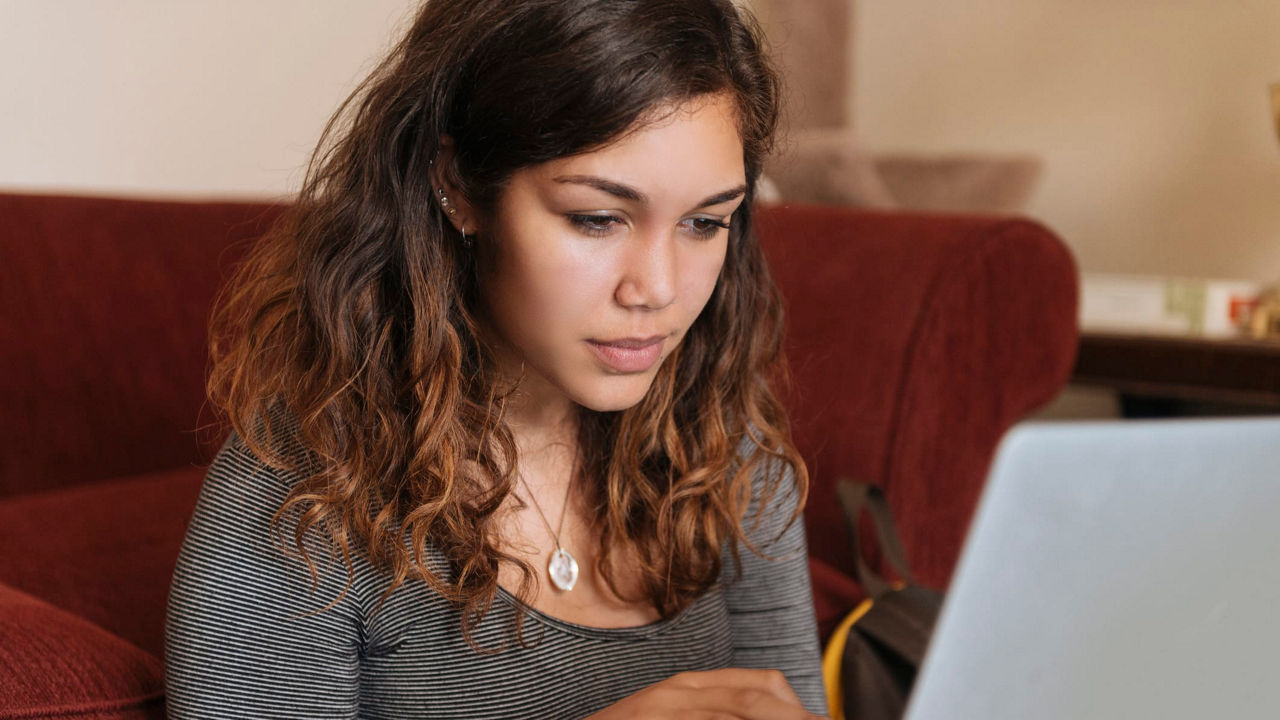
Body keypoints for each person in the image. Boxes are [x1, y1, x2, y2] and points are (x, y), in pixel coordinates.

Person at [163, 0, 827, 717]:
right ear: (457, 185)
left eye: (705, 222)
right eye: (596, 218)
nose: (659, 289)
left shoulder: (728, 450)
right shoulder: (306, 500)